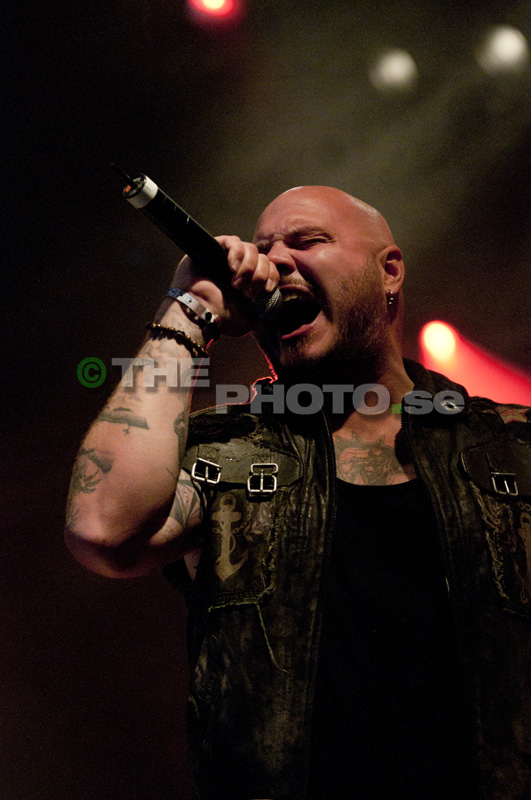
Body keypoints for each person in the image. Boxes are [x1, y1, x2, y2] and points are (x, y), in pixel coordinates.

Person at [65, 185, 531, 800]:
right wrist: (189, 308)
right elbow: (104, 529)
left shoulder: (512, 445)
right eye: (263, 250)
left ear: (389, 271)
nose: (275, 261)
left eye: (307, 241)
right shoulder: (223, 453)